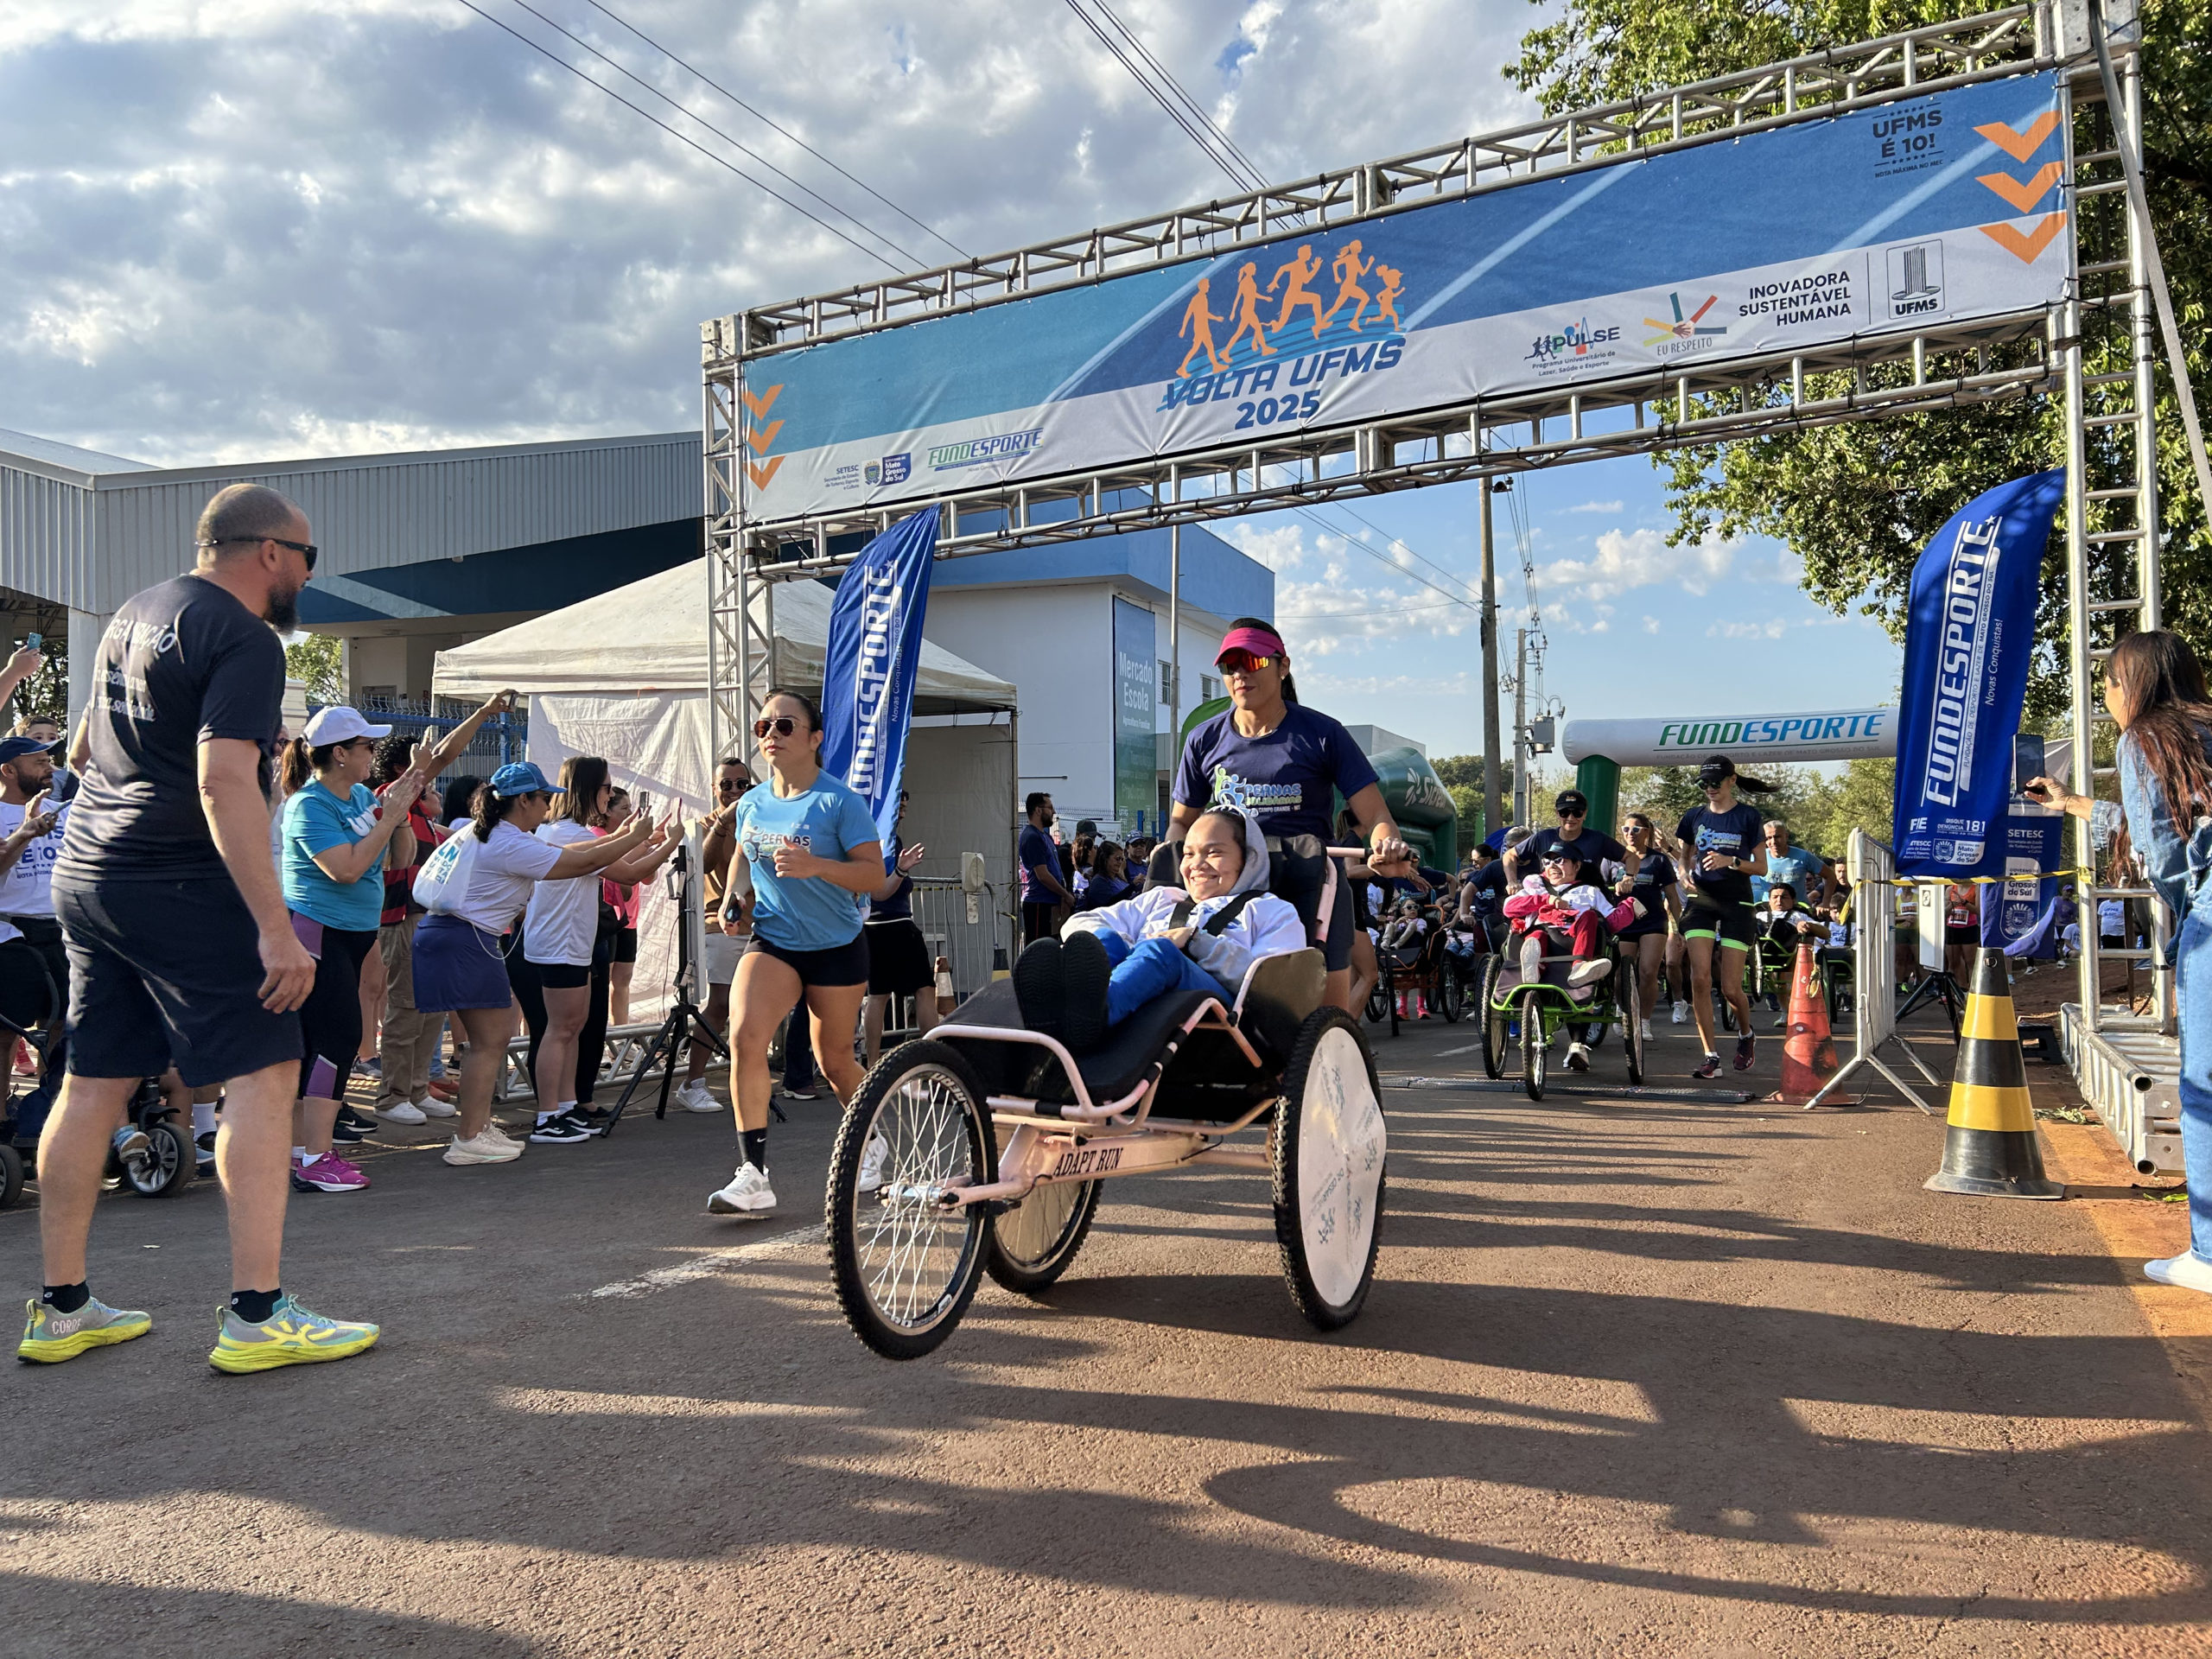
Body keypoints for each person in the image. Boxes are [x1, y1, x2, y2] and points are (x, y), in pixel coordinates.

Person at [16, 483, 386, 1372]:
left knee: (94, 1079)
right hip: (175, 876)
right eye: (307, 557)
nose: (308, 575)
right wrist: (273, 927)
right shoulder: (244, 637)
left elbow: (80, 754)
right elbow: (223, 782)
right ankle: (258, 1314)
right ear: (270, 553)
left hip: (90, 871)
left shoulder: (134, 614)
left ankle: (62, 1310)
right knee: (266, 1070)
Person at [2026, 630, 2212, 1297]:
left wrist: (2185, 920)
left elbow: (2163, 851)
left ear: (2131, 684)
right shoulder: (2200, 734)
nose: (2105, 699)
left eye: (2106, 685)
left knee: (2205, 1091)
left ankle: (2209, 1256)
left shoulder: (2145, 740)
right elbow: (2162, 820)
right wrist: (2073, 804)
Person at [410, 761, 655, 1167]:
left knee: (491, 1040)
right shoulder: (509, 841)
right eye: (542, 798)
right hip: (466, 937)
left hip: (460, 936)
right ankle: (469, 1136)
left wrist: (626, 837)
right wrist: (634, 837)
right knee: (488, 1043)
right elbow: (578, 864)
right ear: (522, 800)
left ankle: (476, 1128)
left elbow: (572, 854)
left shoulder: (497, 833)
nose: (547, 806)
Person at [1171, 618, 1412, 1012]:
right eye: (1230, 665)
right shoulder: (1203, 740)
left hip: (1311, 883)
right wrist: (1175, 851)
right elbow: (1181, 822)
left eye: (1253, 661)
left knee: (1325, 1020)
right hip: (1230, 887)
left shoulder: (1323, 734)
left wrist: (1387, 845)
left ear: (1283, 666)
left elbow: (1375, 817)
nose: (1240, 673)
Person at [709, 690, 883, 1219]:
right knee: (745, 1038)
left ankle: (873, 1140)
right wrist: (735, 897)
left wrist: (816, 866)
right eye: (763, 727)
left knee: (834, 1062)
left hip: (835, 947)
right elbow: (743, 857)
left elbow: (873, 876)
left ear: (814, 738)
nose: (771, 736)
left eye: (784, 725)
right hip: (774, 940)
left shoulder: (839, 802)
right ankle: (753, 1174)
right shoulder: (753, 803)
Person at [275, 707, 429, 1194]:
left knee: (325, 1043)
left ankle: (303, 1154)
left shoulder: (361, 796)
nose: (373, 755)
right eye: (367, 747)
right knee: (334, 1040)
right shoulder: (308, 805)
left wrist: (399, 816)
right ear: (339, 753)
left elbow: (399, 860)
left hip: (355, 933)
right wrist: (390, 816)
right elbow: (344, 869)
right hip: (316, 931)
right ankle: (315, 1157)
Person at [1015, 806, 1304, 1049]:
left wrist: (1196, 940)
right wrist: (1128, 946)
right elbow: (1077, 922)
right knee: (1103, 938)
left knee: (1161, 952)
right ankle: (1057, 1011)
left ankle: (1093, 1017)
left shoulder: (1270, 910)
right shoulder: (1163, 898)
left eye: (1214, 852)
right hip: (1146, 1002)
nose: (1197, 864)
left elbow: (1272, 987)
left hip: (1220, 1020)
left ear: (1248, 858)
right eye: (1189, 854)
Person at [512, 757, 679, 1145]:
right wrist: (669, 842)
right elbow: (628, 872)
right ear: (590, 791)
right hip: (559, 944)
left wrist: (642, 839)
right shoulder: (568, 834)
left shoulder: (564, 831)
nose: (609, 795)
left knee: (571, 1028)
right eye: (606, 788)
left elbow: (617, 858)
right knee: (559, 1030)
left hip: (569, 943)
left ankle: (566, 1105)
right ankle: (548, 1116)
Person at [1675, 754, 1774, 1079]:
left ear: (1732, 780)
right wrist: (1683, 873)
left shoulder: (1748, 816)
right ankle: (1711, 1056)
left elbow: (1761, 867)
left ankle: (1746, 1034)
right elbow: (1684, 856)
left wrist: (1730, 861)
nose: (1710, 788)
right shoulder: (1694, 816)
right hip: (1701, 900)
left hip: (1737, 902)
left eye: (1715, 782)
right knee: (1700, 978)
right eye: (1703, 783)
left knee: (1731, 988)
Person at [1503, 846, 1637, 1069]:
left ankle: (1579, 968)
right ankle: (1534, 968)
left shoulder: (1590, 891)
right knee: (1536, 935)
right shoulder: (1534, 887)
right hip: (1543, 938)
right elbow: (1509, 909)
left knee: (1590, 917)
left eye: (1560, 860)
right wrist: (1545, 900)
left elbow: (1612, 923)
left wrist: (1629, 906)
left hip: (1576, 943)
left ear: (1576, 865)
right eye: (1547, 861)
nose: (1552, 866)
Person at [673, 757, 754, 1116]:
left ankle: (748, 1079)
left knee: (755, 1008)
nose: (735, 791)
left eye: (742, 784)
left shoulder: (760, 820)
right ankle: (693, 1083)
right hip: (721, 925)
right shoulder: (705, 824)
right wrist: (723, 822)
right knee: (720, 1004)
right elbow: (702, 864)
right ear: (714, 789)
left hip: (762, 926)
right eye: (727, 785)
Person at [0, 735, 69, 1146]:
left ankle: (50, 1113)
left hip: (64, 931)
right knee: (6, 1035)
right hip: (12, 934)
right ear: (8, 770)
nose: (50, 768)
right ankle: (3, 1127)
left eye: (49, 760)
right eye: (39, 761)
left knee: (61, 1026)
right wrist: (23, 834)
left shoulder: (63, 810)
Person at [862, 787, 935, 1067]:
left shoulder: (868, 836)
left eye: (905, 807)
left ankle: (871, 1063)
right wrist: (902, 871)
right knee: (924, 988)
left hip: (872, 927)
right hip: (895, 924)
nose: (903, 812)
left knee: (877, 995)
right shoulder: (887, 839)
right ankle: (931, 1056)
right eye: (899, 807)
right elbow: (883, 890)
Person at [1612, 812, 1682, 1043]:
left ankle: (1644, 1020)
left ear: (1647, 832)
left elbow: (1672, 897)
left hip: (1653, 921)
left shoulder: (1658, 860)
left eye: (1635, 830)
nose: (1630, 834)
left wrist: (1680, 928)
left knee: (1648, 972)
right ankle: (1622, 1011)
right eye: (1626, 829)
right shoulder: (1613, 859)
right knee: (1623, 971)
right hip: (1623, 922)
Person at [1503, 789, 1626, 887]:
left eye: (1577, 813)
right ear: (1557, 813)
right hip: (1551, 902)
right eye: (1564, 813)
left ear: (1585, 813)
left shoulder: (1598, 839)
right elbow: (1509, 855)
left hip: (1588, 902)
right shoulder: (1543, 837)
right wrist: (1512, 882)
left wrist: (1628, 878)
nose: (1570, 818)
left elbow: (1631, 857)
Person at [598, 787, 643, 1026]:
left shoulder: (630, 838)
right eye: (625, 808)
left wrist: (646, 847)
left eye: (631, 808)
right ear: (607, 811)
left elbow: (647, 877)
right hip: (607, 919)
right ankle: (600, 1035)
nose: (631, 814)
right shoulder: (596, 836)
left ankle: (621, 1035)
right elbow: (618, 876)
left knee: (623, 980)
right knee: (601, 982)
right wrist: (642, 847)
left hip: (628, 918)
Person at [1020, 793, 1073, 944]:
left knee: (1050, 947)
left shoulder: (1045, 837)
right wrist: (1065, 894)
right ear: (1038, 810)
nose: (1054, 812)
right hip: (1038, 903)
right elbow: (1042, 875)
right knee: (1040, 949)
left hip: (1049, 903)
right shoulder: (1032, 837)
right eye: (1050, 808)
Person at [1752, 820, 1828, 910]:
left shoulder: (1803, 856)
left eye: (1777, 837)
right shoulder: (1758, 856)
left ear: (1786, 836)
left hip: (1797, 910)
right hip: (1769, 910)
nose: (1773, 841)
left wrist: (1825, 903)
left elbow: (1830, 876)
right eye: (1768, 838)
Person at [1380, 895, 1431, 1020]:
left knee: (1412, 926)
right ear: (1403, 911)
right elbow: (1393, 930)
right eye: (1409, 907)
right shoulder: (1400, 923)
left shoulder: (1420, 921)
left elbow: (1421, 932)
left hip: (1416, 949)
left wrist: (1409, 925)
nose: (1413, 909)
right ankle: (1385, 943)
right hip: (1400, 952)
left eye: (1415, 907)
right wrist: (1398, 923)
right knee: (1391, 925)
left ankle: (1421, 1006)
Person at [1077, 841, 1134, 911]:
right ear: (1105, 858)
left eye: (1122, 859)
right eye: (1117, 859)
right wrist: (1132, 887)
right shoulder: (1099, 881)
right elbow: (1110, 905)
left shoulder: (1118, 878)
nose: (1120, 862)